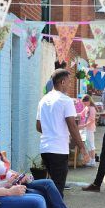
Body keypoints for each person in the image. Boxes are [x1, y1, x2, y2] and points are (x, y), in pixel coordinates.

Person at [37, 69, 89, 197]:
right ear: (62, 82)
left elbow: (38, 126)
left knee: (52, 187)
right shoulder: (66, 100)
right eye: (69, 82)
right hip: (58, 149)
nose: (70, 85)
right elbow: (72, 126)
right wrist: (82, 147)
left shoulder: (43, 100)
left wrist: (52, 130)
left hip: (45, 149)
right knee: (57, 190)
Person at [78, 94, 97, 167]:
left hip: (90, 128)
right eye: (83, 103)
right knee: (88, 144)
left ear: (89, 101)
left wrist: (83, 126)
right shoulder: (87, 107)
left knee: (91, 145)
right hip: (86, 128)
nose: (84, 104)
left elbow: (92, 120)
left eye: (85, 103)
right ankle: (91, 160)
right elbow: (81, 114)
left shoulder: (92, 108)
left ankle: (93, 161)